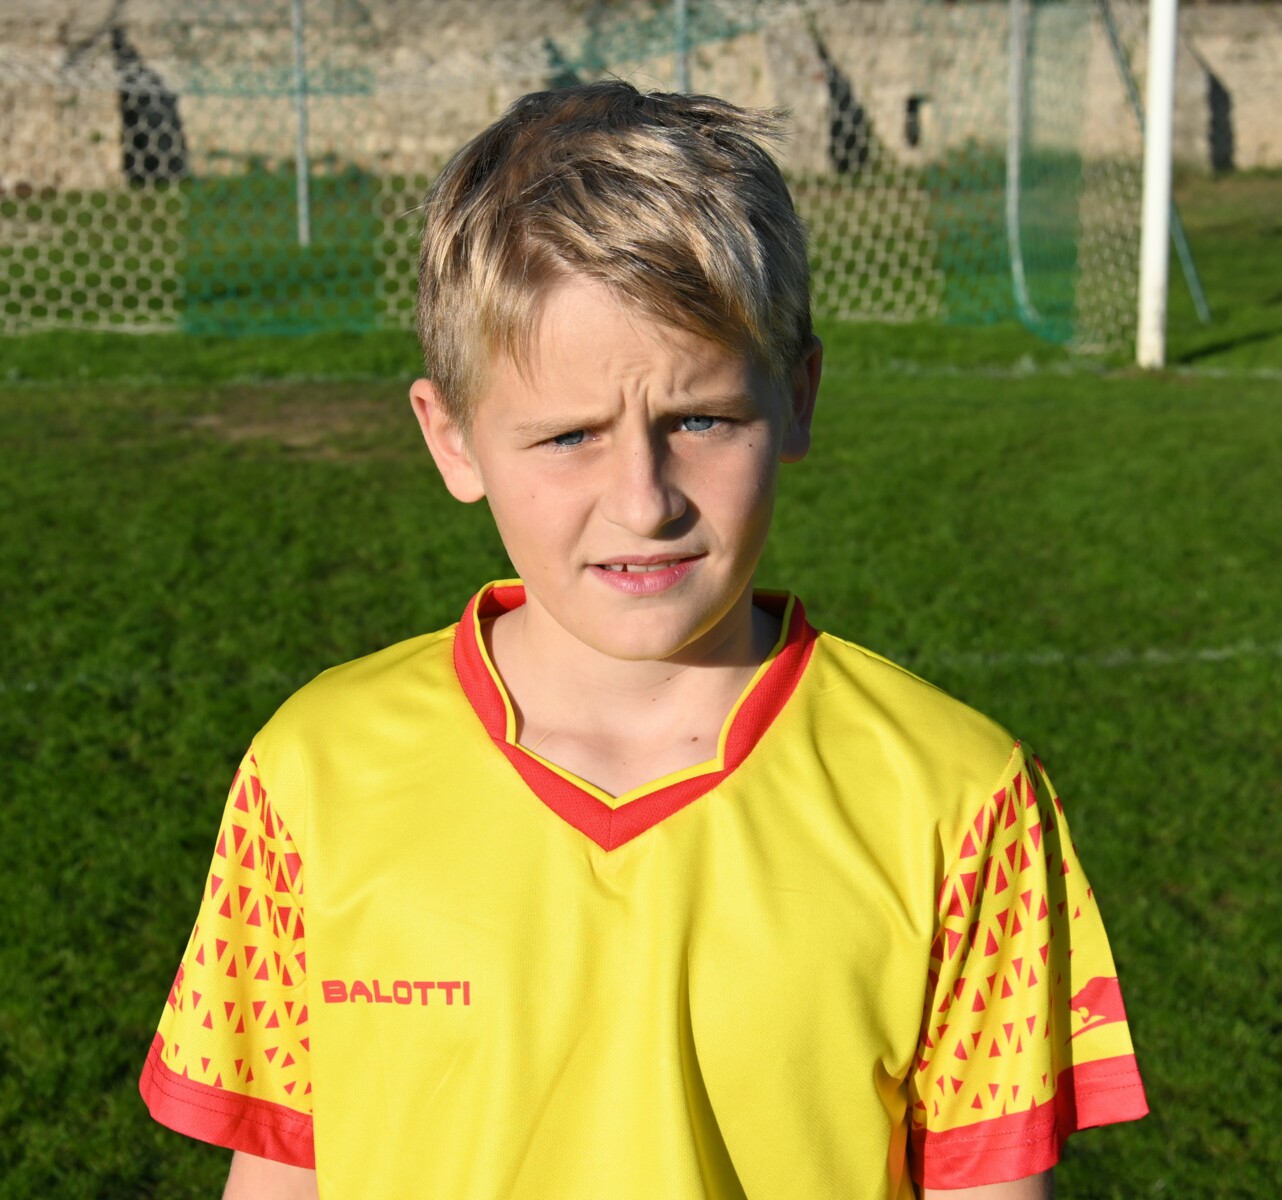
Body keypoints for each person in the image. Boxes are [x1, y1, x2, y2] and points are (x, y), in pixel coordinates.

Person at [139, 82, 1147, 1199]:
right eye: (569, 436)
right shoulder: (314, 772)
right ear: (452, 439)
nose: (643, 500)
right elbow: (284, 1165)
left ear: (799, 396)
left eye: (699, 420)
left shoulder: (958, 799)